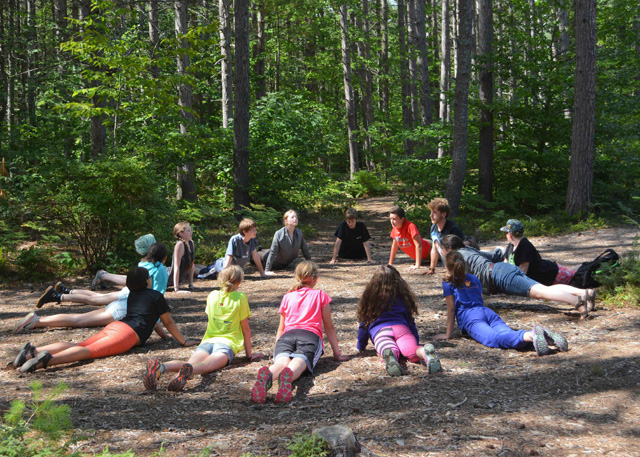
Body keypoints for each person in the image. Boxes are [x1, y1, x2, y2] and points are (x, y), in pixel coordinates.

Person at [13, 267, 198, 373]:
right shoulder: (156, 296)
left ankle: (33, 352)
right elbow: (167, 321)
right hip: (127, 334)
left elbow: (156, 322)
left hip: (117, 326)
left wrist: (164, 336)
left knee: (80, 343)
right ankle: (46, 361)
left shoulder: (132, 295)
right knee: (87, 351)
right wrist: (182, 341)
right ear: (146, 281)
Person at [143, 265, 261, 392]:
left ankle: (161, 367)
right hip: (227, 344)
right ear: (239, 281)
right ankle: (182, 376)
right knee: (206, 366)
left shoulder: (212, 295)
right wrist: (249, 355)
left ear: (220, 280)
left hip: (208, 341)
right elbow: (246, 329)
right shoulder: (240, 298)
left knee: (188, 364)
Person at [14, 243, 170, 337]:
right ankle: (36, 322)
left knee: (81, 315)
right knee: (79, 320)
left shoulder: (143, 265)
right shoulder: (160, 271)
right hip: (124, 310)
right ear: (164, 258)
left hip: (122, 302)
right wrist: (164, 335)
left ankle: (38, 319)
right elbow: (155, 307)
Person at [433, 251, 569, 355]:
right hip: (486, 312)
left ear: (447, 266)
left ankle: (533, 335)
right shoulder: (474, 278)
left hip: (471, 317)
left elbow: (451, 310)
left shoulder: (448, 282)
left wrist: (448, 334)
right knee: (506, 333)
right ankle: (539, 337)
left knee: (494, 339)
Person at [251, 261, 348, 404]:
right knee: (299, 362)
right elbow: (329, 327)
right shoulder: (320, 295)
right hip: (309, 336)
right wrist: (337, 354)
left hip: (287, 337)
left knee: (282, 361)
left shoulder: (288, 296)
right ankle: (287, 377)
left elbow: (281, 328)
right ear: (315, 279)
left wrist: (276, 351)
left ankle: (268, 376)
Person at [440, 235, 596, 319]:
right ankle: (584, 293)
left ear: (448, 249)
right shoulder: (469, 250)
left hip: (499, 276)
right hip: (502, 269)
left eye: (441, 250)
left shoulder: (457, 257)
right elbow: (496, 254)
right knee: (543, 288)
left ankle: (577, 303)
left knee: (541, 292)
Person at [356, 264, 441, 376]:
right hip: (402, 329)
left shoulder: (371, 299)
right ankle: (424, 352)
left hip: (381, 332)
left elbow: (364, 324)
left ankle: (390, 357)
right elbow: (410, 322)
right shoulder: (402, 297)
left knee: (386, 346)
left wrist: (360, 345)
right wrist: (415, 339)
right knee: (411, 351)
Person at [501, 219, 577, 286]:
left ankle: (584, 266)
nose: (506, 235)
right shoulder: (511, 245)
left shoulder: (524, 247)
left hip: (553, 275)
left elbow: (522, 273)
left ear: (510, 235)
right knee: (572, 271)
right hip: (547, 272)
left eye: (506, 233)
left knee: (577, 276)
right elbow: (505, 263)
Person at [197, 218, 268, 280]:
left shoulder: (252, 240)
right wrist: (225, 274)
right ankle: (192, 268)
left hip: (233, 271)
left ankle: (195, 266)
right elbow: (229, 257)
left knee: (204, 269)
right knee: (199, 274)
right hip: (220, 268)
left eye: (255, 229)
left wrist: (262, 273)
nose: (255, 232)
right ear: (244, 231)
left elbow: (255, 256)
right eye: (253, 230)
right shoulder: (235, 240)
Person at [91, 234, 157, 290]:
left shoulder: (146, 263)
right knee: (136, 281)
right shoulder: (149, 264)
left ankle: (104, 275)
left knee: (134, 279)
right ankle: (104, 275)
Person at [263, 210, 311, 275]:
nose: (295, 219)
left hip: (288, 262)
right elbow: (273, 252)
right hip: (275, 262)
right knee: (261, 256)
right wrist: (267, 270)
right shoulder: (279, 234)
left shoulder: (299, 233)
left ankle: (262, 250)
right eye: (292, 217)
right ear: (286, 221)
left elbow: (305, 249)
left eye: (296, 217)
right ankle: (258, 252)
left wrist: (311, 264)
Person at [425, 198, 464, 275]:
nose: (431, 215)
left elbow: (459, 253)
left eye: (434, 213)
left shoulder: (453, 229)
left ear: (443, 214)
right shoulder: (433, 227)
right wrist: (431, 268)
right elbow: (434, 249)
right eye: (431, 212)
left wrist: (452, 271)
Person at [387, 206, 431, 271]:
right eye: (390, 219)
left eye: (394, 219)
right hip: (422, 254)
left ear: (402, 219)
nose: (392, 221)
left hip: (429, 250)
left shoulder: (410, 226)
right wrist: (390, 263)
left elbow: (418, 245)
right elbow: (394, 246)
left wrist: (417, 265)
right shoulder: (395, 229)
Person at [167, 222, 196, 293]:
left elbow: (192, 265)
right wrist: (176, 289)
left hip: (176, 279)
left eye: (190, 230)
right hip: (166, 277)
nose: (191, 233)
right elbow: (176, 267)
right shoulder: (179, 245)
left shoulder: (191, 243)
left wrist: (191, 284)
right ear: (181, 233)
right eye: (188, 231)